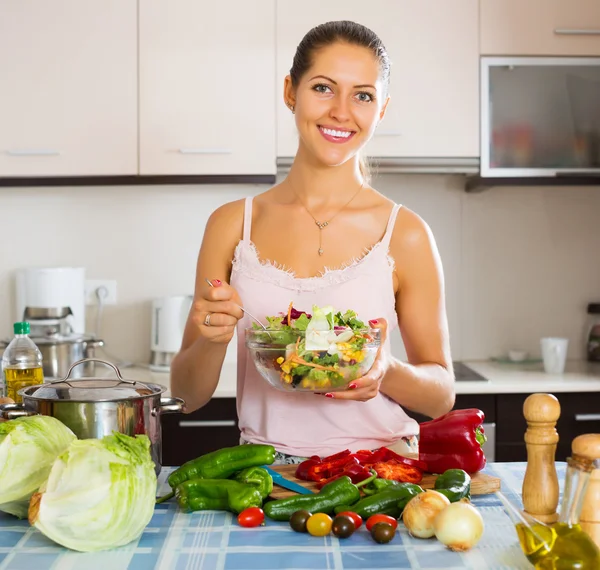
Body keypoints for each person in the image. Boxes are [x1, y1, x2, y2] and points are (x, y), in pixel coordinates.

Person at [171, 20, 455, 464]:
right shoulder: (232, 225)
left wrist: (383, 370)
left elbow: (440, 396)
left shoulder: (405, 232)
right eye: (324, 88)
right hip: (267, 475)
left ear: (380, 111)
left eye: (363, 95)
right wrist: (211, 339)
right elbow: (186, 396)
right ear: (290, 92)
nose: (342, 111)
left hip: (383, 472)